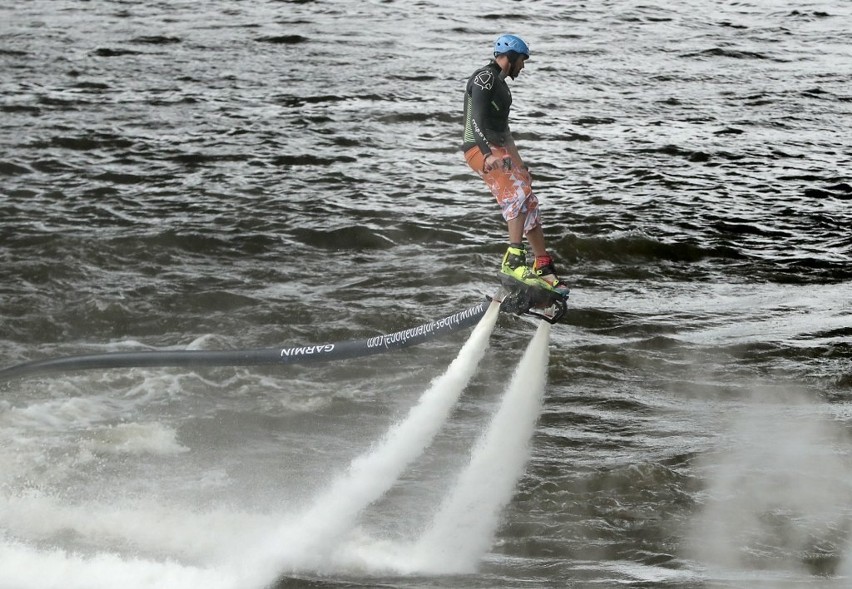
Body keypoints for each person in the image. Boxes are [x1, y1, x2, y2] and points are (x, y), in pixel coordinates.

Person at [462, 34, 569, 296]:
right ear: (510, 57)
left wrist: (521, 166)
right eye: (522, 60)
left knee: (529, 200)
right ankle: (513, 261)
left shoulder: (503, 88)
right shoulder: (484, 78)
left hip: (498, 149)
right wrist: (487, 155)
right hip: (478, 149)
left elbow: (505, 132)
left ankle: (543, 266)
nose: (523, 66)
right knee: (517, 196)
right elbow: (475, 120)